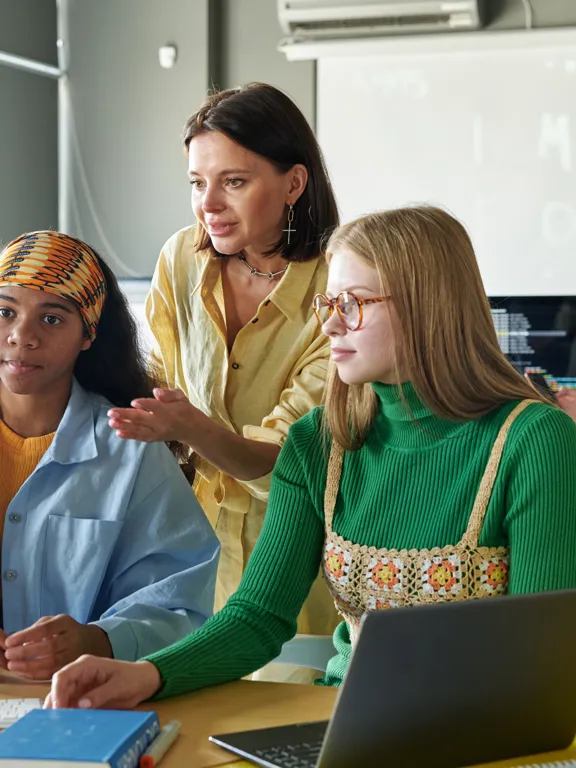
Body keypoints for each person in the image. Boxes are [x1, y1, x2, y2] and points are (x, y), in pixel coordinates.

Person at [45, 205, 576, 709]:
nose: (330, 326)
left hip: (487, 737)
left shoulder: (534, 441)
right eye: (329, 304)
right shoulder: (316, 442)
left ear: (426, 306)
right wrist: (149, 673)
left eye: (353, 305)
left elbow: (542, 655)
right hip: (344, 722)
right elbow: (258, 617)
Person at [105, 83, 341, 671]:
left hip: (294, 566)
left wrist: (191, 427)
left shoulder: (338, 284)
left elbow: (291, 457)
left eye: (233, 181)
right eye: (196, 182)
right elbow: (151, 375)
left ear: (293, 182)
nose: (208, 203)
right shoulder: (180, 257)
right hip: (186, 558)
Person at [0, 230, 219, 680]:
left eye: (53, 319)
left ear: (88, 335)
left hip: (82, 707)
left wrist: (97, 640)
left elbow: (182, 605)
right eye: (4, 312)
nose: (22, 337)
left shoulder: (132, 452)